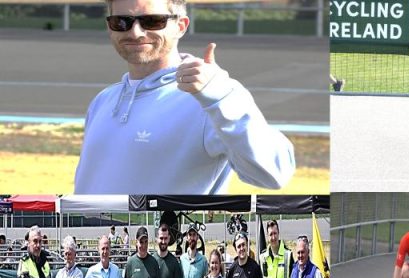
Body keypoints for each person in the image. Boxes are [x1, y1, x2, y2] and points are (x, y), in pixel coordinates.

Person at [75, 0, 295, 194]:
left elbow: (275, 173)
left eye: (152, 21)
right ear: (109, 27)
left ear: (180, 26)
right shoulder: (103, 100)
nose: (136, 32)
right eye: (121, 22)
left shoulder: (211, 97)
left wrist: (221, 98)